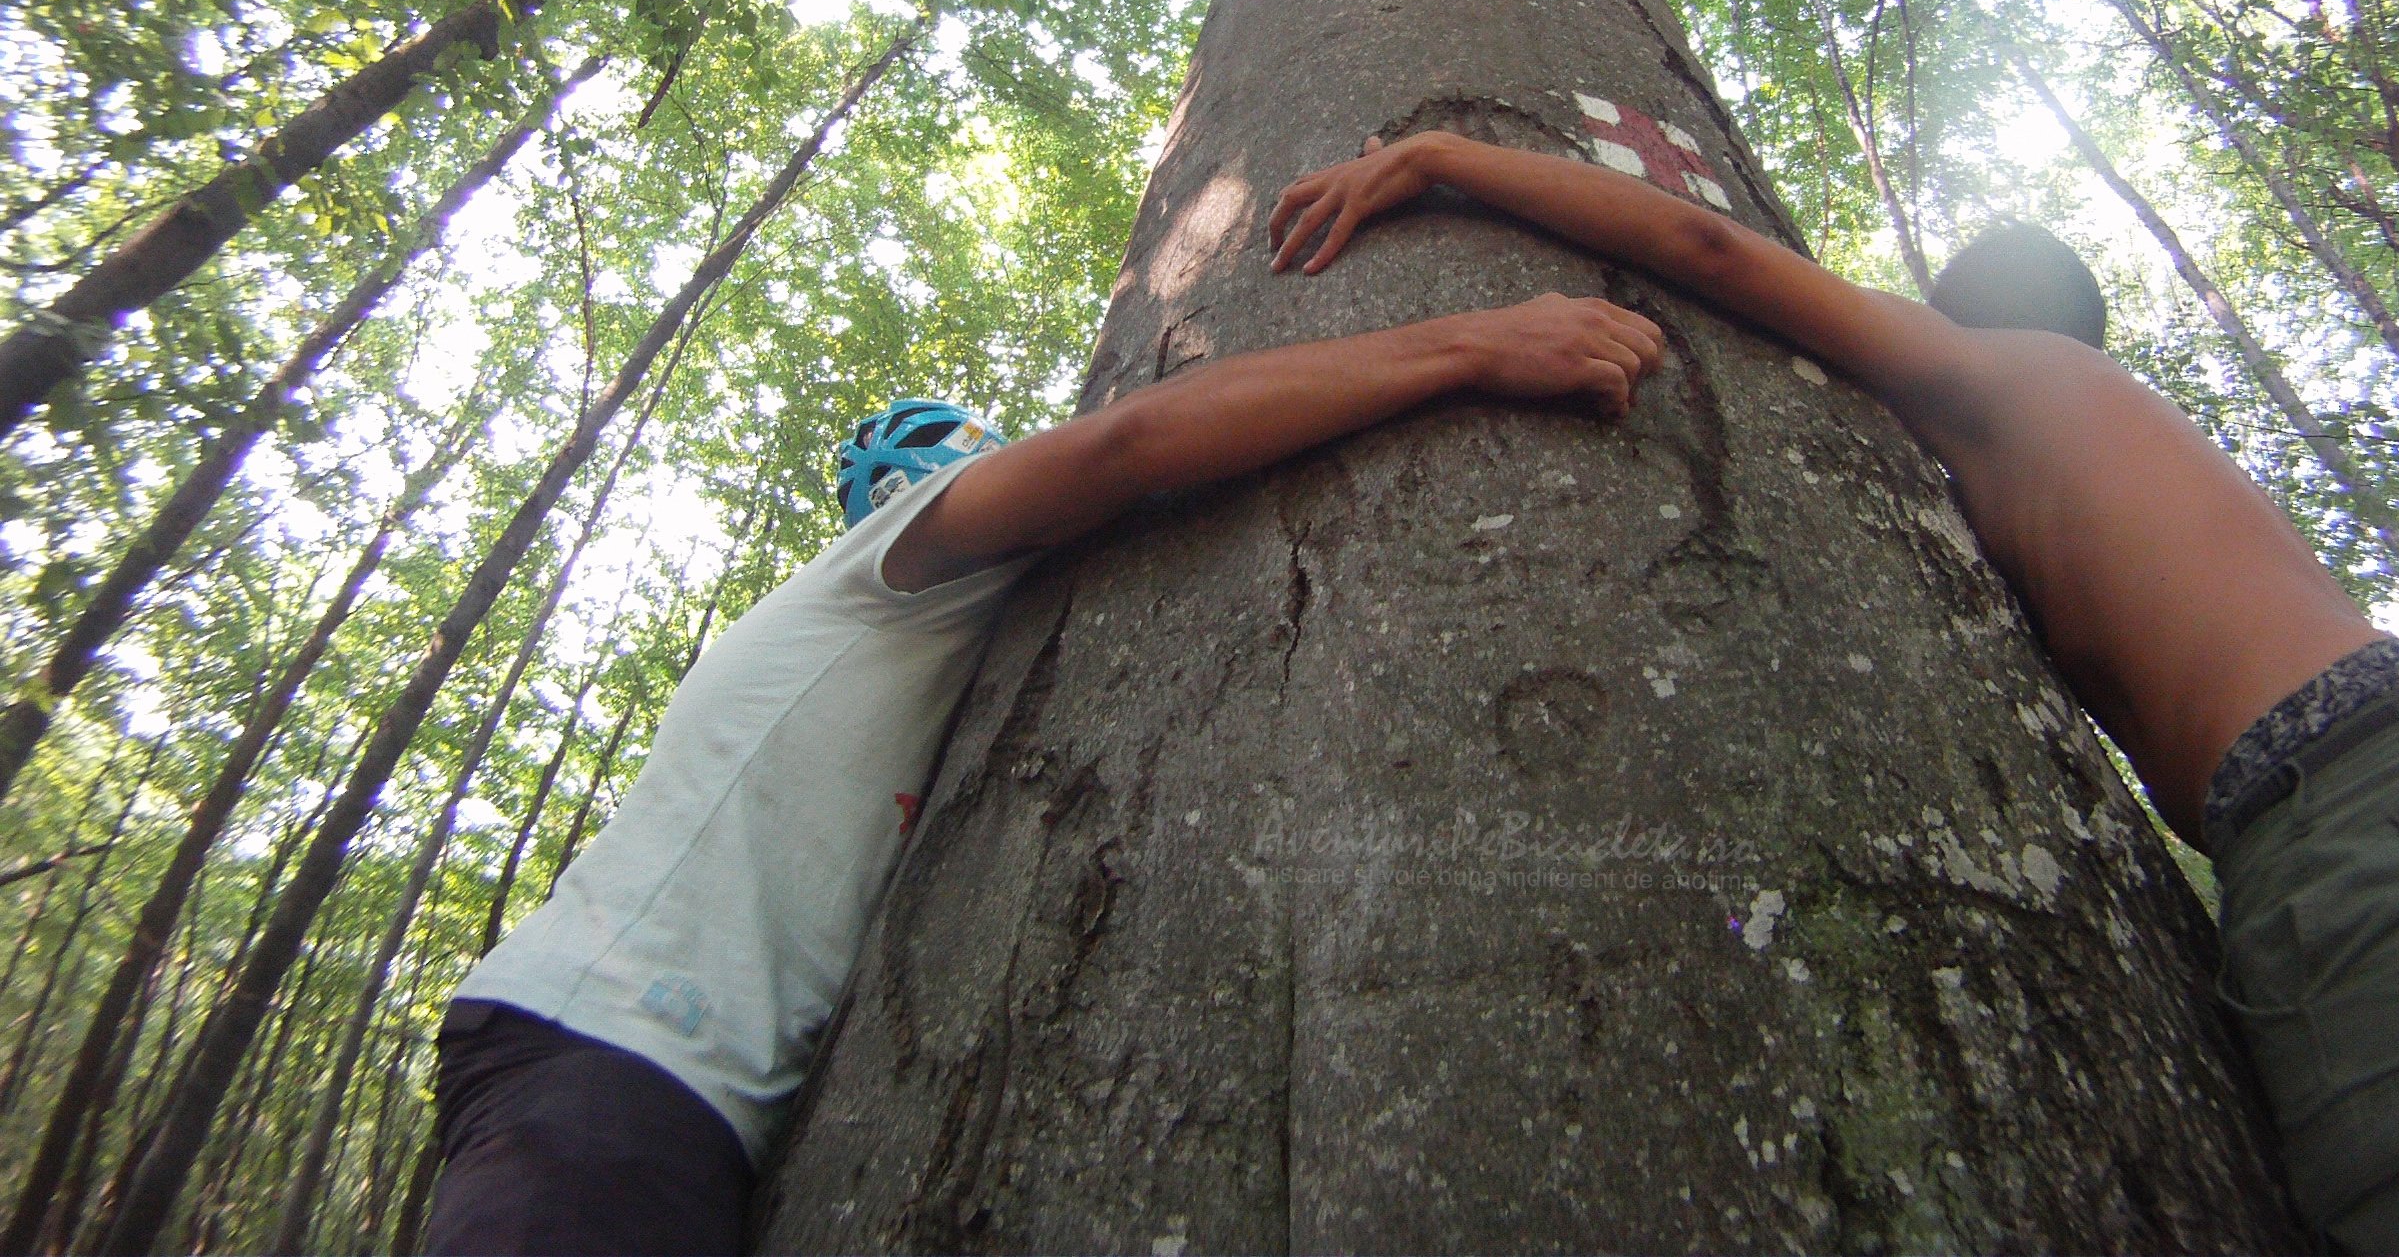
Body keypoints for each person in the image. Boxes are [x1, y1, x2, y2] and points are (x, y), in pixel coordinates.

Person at [1271, 130, 2399, 1254]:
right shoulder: (2106, 418)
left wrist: (1439, 156)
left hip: (2347, 804)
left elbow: (1716, 256)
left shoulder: (1997, 377)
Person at [423, 291, 1666, 1256]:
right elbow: (1128, 445)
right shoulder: (893, 561)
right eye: (981, 460)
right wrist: (1472, 346)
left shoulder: (911, 662)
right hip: (611, 1059)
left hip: (686, 1106)